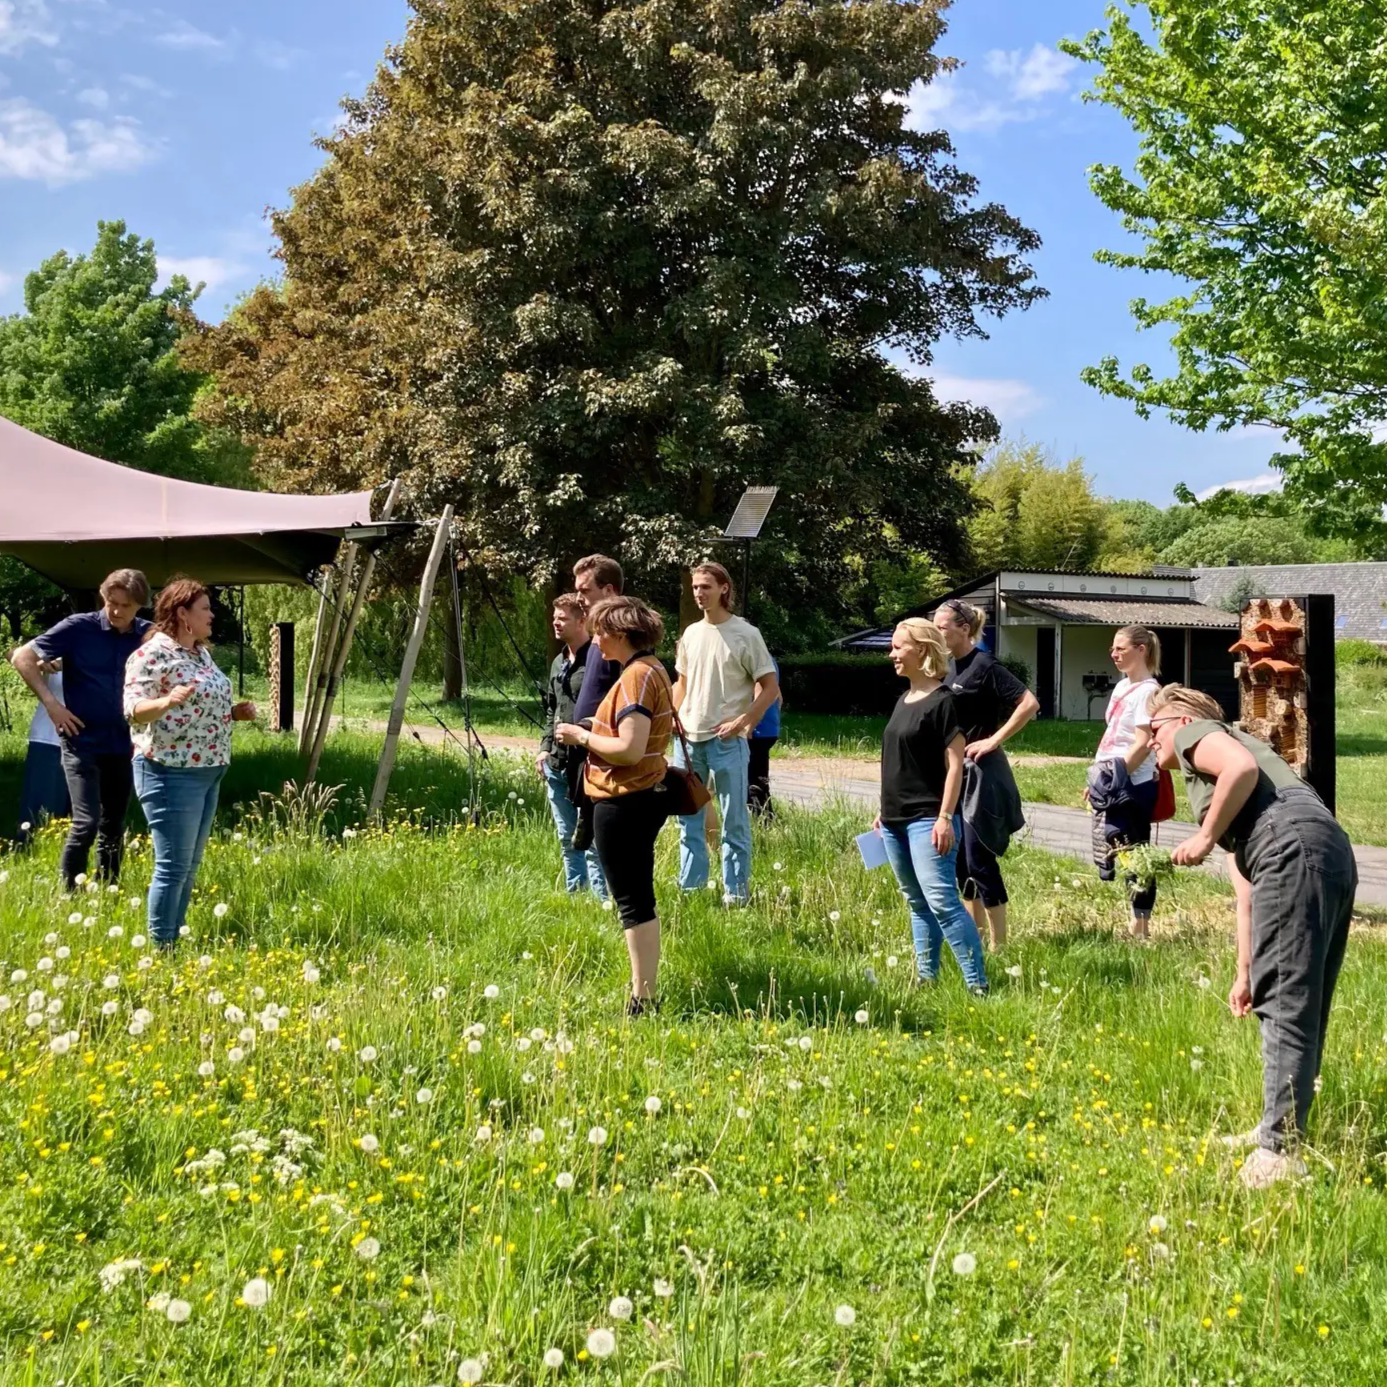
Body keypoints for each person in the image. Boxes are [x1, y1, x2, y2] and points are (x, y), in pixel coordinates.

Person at [1150, 684, 1358, 1188]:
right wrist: (1245, 971)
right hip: (1322, 845)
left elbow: (1238, 767)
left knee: (1288, 1003)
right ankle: (1278, 1127)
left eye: (1152, 729)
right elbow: (1246, 891)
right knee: (1293, 997)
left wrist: (1201, 837)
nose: (1151, 741)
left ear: (1178, 721)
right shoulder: (1234, 791)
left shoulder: (1196, 734)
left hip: (1291, 843)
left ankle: (1280, 1153)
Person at [554, 597, 675, 1015]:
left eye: (601, 631)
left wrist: (580, 737)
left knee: (632, 901)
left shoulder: (635, 677)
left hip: (624, 800)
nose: (597, 640)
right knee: (637, 898)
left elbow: (628, 748)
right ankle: (644, 993)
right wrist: (594, 726)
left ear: (621, 634)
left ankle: (643, 999)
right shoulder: (652, 669)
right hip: (639, 795)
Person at [123, 578, 257, 948]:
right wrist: (165, 702)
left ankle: (174, 938)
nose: (212, 615)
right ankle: (161, 951)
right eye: (205, 609)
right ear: (183, 614)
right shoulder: (151, 655)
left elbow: (198, 709)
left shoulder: (201, 654)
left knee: (189, 867)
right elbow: (133, 710)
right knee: (172, 868)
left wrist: (233, 713)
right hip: (168, 772)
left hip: (209, 771)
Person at [12, 568, 151, 889]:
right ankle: (69, 894)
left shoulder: (148, 635)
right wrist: (52, 704)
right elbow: (22, 657)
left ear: (139, 605)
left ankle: (108, 890)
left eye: (125, 606)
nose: (116, 611)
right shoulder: (79, 628)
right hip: (80, 741)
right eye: (111, 602)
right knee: (86, 822)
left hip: (124, 742)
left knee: (113, 824)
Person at [874, 619, 988, 993]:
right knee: (917, 902)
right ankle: (927, 979)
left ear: (921, 649)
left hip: (928, 820)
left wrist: (944, 818)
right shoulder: (901, 700)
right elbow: (899, 762)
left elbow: (956, 765)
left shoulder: (945, 702)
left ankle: (977, 985)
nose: (892, 654)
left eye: (897, 647)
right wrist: (883, 811)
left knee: (942, 900)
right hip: (893, 820)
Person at [670, 562, 779, 904]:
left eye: (706, 586)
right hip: (688, 740)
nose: (699, 593)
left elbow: (770, 686)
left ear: (724, 589)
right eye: (695, 587)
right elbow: (682, 683)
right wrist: (672, 718)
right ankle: (691, 890)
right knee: (688, 820)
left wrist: (744, 722)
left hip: (728, 742)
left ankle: (736, 895)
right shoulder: (690, 634)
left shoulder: (746, 634)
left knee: (734, 823)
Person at [935, 599, 1039, 951]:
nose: (937, 632)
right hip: (955, 775)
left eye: (942, 627)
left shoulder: (985, 665)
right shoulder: (948, 668)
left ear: (964, 628)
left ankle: (1001, 945)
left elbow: (1029, 703)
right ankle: (975, 939)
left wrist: (993, 739)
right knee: (962, 862)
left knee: (980, 860)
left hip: (983, 776)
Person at [1088, 625, 1162, 939]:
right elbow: (1113, 735)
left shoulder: (1149, 691)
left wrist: (1113, 782)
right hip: (1111, 777)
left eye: (1121, 648)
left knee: (1134, 850)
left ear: (1141, 649)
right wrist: (1098, 779)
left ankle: (1141, 927)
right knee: (1119, 846)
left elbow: (1143, 742)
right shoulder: (1121, 687)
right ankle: (1135, 922)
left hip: (1133, 783)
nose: (1114, 654)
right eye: (1112, 649)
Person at [535, 593, 607, 896]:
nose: (556, 622)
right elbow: (552, 708)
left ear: (582, 621)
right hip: (557, 762)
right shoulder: (558, 661)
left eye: (562, 617)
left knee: (590, 837)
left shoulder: (600, 659)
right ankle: (575, 894)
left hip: (587, 762)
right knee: (566, 837)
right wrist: (544, 746)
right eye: (555, 617)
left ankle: (602, 899)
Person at [566, 554, 627, 850]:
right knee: (591, 845)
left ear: (610, 590)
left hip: (611, 754)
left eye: (585, 591)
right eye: (577, 590)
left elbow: (631, 694)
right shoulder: (597, 631)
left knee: (611, 842)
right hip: (588, 747)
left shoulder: (624, 634)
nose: (579, 598)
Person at [14, 651, 71, 846]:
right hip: (50, 738)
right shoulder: (60, 638)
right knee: (40, 814)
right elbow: (15, 653)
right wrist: (42, 662)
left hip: (93, 743)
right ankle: (31, 857)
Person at [747, 656, 782, 819]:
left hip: (756, 732)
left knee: (753, 782)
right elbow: (779, 697)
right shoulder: (769, 660)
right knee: (759, 778)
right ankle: (764, 818)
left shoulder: (757, 660)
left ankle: (762, 820)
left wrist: (749, 727)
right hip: (768, 729)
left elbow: (760, 693)